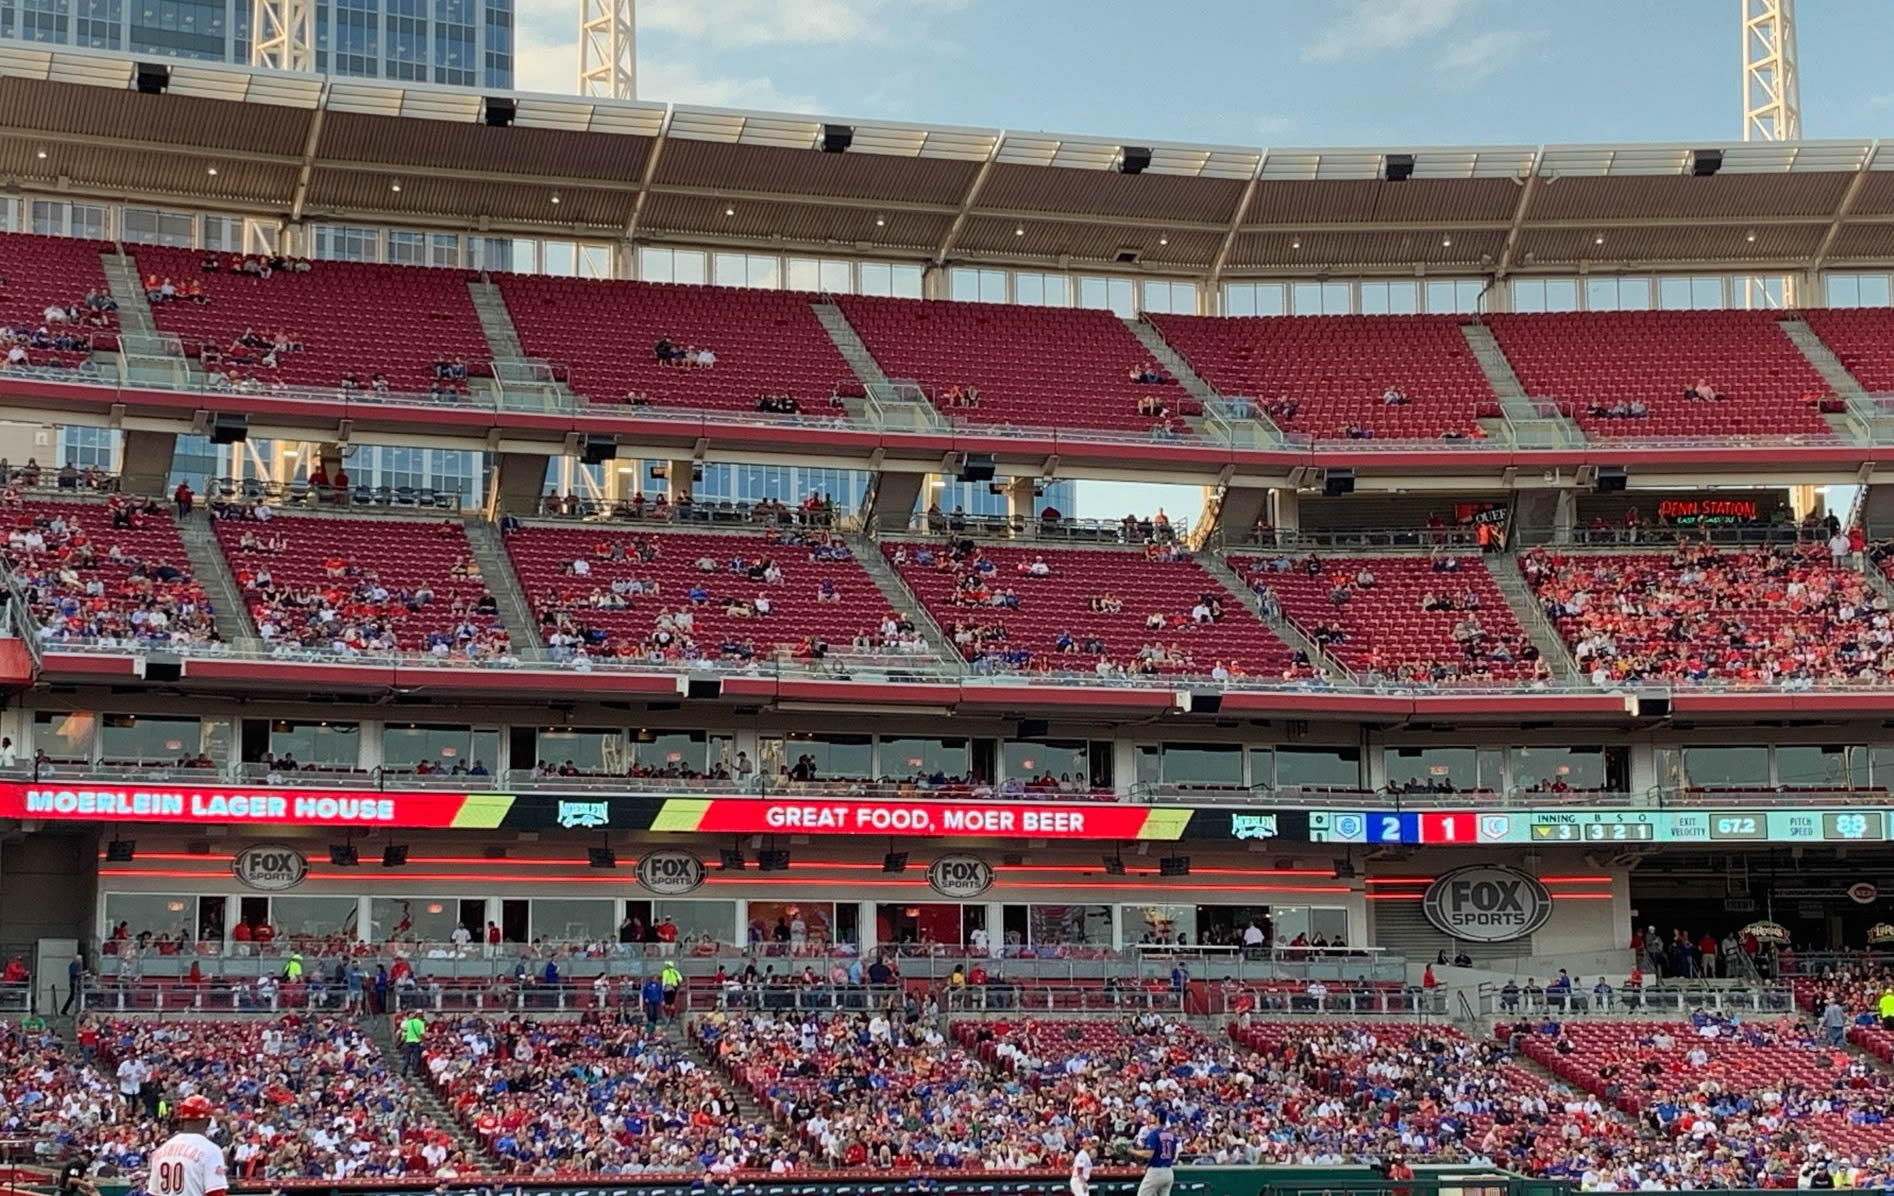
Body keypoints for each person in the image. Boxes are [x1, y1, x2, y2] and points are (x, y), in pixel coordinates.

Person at [148, 1094, 228, 1196]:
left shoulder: (161, 1150)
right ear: (208, 1122)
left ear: (181, 1121)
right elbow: (216, 1193)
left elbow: (153, 1194)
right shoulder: (211, 1150)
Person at [1131, 1110, 1180, 1196]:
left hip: (1156, 1171)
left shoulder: (1154, 1133)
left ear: (1157, 1117)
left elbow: (1149, 1154)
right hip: (1169, 1171)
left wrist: (1132, 1151)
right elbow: (1175, 1154)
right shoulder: (1171, 1134)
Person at [397, 1009, 426, 1075]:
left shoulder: (409, 1022)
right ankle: (415, 1071)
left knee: (407, 1058)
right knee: (416, 1057)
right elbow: (422, 1034)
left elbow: (403, 1028)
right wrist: (423, 1041)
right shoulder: (421, 1023)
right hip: (416, 1042)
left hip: (408, 1041)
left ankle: (404, 1071)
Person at [1070, 1130, 1094, 1196]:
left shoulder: (1085, 1154)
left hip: (1080, 1180)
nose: (1090, 1145)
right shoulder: (1082, 1154)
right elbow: (1079, 1170)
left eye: (1090, 1144)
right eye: (1088, 1144)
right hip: (1079, 1180)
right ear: (1083, 1145)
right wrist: (1082, 1183)